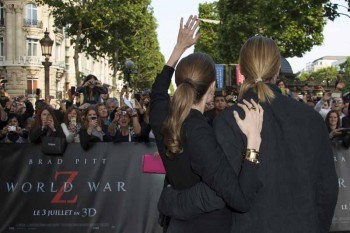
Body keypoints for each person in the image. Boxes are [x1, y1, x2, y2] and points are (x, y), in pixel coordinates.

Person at [159, 35, 339, 233]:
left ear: (242, 71)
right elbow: (328, 189)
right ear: (277, 69)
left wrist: (170, 201)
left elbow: (217, 194)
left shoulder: (231, 119)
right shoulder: (311, 118)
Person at [150, 16, 264, 233]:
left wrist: (178, 49)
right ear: (212, 87)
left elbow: (158, 92)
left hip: (176, 224)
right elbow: (241, 199)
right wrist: (254, 142)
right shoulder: (199, 131)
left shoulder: (162, 117)